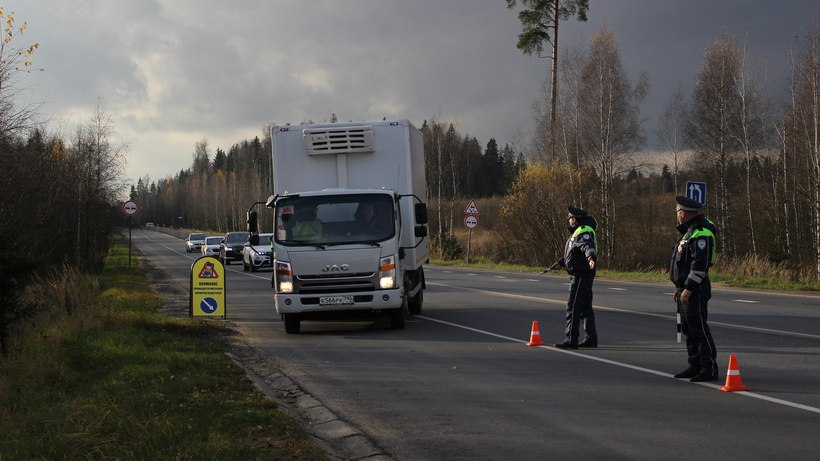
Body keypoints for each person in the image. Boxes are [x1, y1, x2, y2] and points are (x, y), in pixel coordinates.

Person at [669, 196, 719, 382]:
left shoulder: (701, 232)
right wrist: (679, 287)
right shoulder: (688, 232)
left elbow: (700, 264)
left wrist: (689, 287)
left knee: (698, 328)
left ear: (683, 213)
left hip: (695, 289)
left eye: (677, 212)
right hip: (684, 288)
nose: (677, 215)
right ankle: (695, 364)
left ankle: (709, 367)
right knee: (688, 329)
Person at [549, 206, 598, 349]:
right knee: (586, 308)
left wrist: (591, 257)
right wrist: (561, 262)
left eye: (570, 218)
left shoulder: (583, 231)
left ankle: (571, 340)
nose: (569, 220)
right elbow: (575, 253)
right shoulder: (577, 232)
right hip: (583, 273)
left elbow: (587, 246)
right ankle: (591, 339)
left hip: (581, 275)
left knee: (573, 307)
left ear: (574, 219)